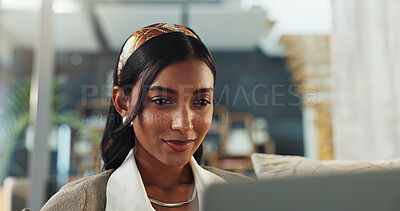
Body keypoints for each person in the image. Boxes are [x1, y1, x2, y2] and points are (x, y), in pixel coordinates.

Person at [41, 23, 250, 211]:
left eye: (201, 102)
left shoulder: (246, 196)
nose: (183, 124)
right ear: (123, 102)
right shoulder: (80, 204)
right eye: (161, 101)